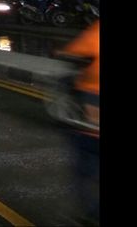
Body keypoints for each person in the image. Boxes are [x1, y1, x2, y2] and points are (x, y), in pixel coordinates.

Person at [58, 20, 99, 224]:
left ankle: (91, 213)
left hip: (92, 116)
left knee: (83, 168)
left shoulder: (96, 31)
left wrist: (63, 54)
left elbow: (74, 52)